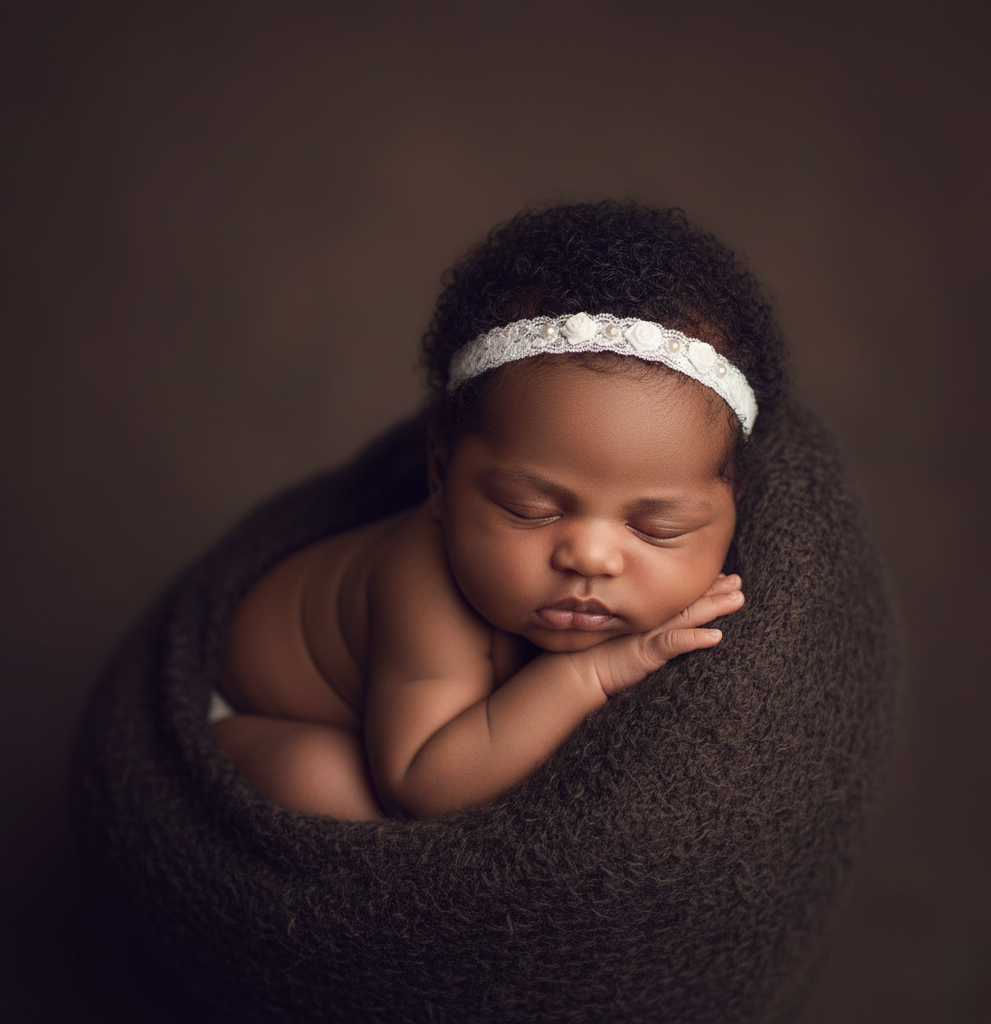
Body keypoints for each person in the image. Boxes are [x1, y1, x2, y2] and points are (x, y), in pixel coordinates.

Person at [212, 201, 788, 821]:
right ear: (440, 478)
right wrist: (591, 675)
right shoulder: (424, 587)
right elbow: (421, 781)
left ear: (735, 508)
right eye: (530, 509)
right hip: (256, 714)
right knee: (331, 785)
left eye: (658, 528)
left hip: (406, 720)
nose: (589, 556)